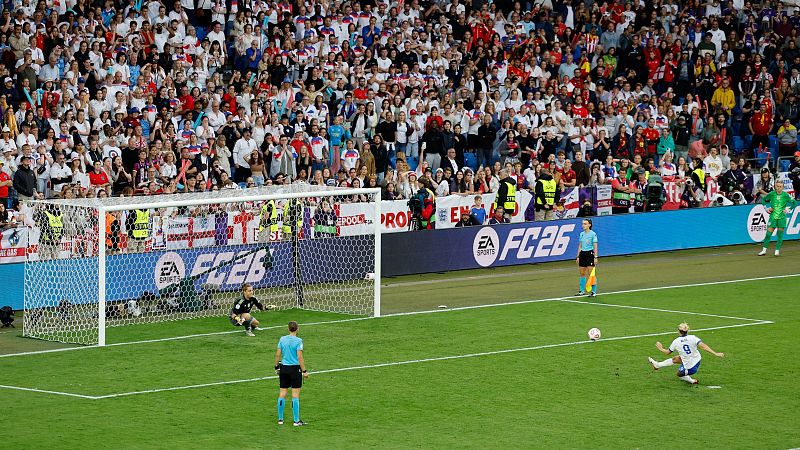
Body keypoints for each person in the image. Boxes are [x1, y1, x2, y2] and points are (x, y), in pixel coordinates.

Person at [648, 322, 725, 385]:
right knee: (676, 359)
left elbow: (667, 353)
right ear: (687, 331)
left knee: (679, 374)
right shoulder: (693, 337)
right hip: (697, 360)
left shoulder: (676, 341)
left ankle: (692, 381)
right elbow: (703, 346)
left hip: (690, 368)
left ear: (678, 331)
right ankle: (657, 365)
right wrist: (715, 353)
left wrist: (661, 348)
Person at [274, 320, 309, 426]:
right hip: (295, 369)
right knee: (295, 395)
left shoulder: (282, 339)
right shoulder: (299, 341)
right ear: (297, 329)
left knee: (282, 393)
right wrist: (304, 371)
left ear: (288, 329)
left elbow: (277, 354)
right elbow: (299, 356)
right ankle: (296, 421)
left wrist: (276, 366)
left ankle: (280, 419)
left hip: (284, 368)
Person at [758, 181, 797, 257]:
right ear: (775, 186)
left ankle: (777, 251)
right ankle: (764, 250)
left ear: (783, 187)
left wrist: (789, 210)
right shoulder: (771, 194)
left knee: (779, 236)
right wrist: (766, 209)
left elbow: (794, 202)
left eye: (780, 186)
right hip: (773, 217)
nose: (778, 188)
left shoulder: (786, 195)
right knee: (768, 234)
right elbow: (763, 200)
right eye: (777, 186)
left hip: (782, 218)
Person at [575, 219, 598, 297]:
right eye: (582, 224)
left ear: (589, 225)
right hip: (582, 254)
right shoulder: (581, 234)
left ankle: (593, 291)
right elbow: (580, 245)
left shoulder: (593, 234)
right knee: (582, 273)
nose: (583, 225)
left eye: (585, 224)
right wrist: (578, 256)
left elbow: (595, 246)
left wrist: (595, 257)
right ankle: (582, 291)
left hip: (590, 254)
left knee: (591, 273)